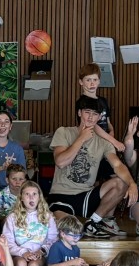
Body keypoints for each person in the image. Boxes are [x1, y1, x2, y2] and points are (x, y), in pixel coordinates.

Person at [48, 97, 131, 235]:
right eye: (87, 112)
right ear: (79, 113)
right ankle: (82, 227)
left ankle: (93, 222)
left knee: (121, 182)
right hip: (61, 196)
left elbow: (117, 165)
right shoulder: (64, 132)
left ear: (99, 117)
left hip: (85, 196)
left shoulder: (103, 142)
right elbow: (60, 162)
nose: (91, 117)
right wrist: (81, 138)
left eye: (95, 114)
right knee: (71, 232)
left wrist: (132, 183)